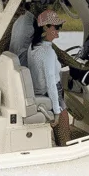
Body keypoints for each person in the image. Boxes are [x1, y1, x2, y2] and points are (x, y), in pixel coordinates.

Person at [26, 9, 72, 146]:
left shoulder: (32, 47)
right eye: (56, 27)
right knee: (65, 137)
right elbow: (51, 83)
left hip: (39, 90)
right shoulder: (48, 52)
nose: (58, 30)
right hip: (53, 92)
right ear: (45, 27)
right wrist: (57, 111)